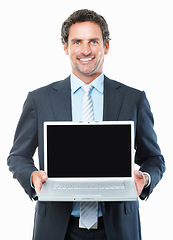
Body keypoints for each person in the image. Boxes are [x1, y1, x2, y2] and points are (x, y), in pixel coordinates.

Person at [7, 9, 165, 240]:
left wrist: (146, 178)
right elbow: (17, 157)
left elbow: (154, 158)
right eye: (77, 42)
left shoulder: (133, 99)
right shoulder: (39, 100)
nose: (85, 50)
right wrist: (32, 177)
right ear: (66, 48)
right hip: (57, 228)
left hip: (118, 228)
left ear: (106, 46)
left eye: (93, 41)